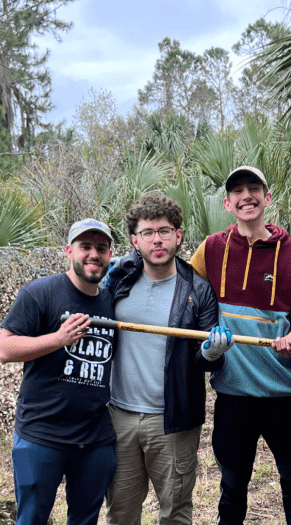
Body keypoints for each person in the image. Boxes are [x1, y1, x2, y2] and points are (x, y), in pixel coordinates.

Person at [189, 166, 291, 525]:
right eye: (238, 191)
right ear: (228, 203)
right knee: (232, 486)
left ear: (267, 198)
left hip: (282, 390)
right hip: (233, 392)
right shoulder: (212, 249)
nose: (246, 196)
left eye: (253, 189)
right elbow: (187, 294)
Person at [104, 194, 233, 525]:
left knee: (174, 510)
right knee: (119, 510)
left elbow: (204, 360)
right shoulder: (119, 279)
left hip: (173, 420)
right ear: (135, 240)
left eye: (164, 230)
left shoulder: (199, 289)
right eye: (147, 232)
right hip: (120, 416)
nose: (156, 239)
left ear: (178, 235)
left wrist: (211, 351)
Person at [0, 218, 118, 525]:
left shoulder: (112, 303)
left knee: (86, 519)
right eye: (85, 247)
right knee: (29, 517)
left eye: (101, 248)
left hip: (94, 439)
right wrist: (58, 339)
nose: (93, 254)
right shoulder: (39, 293)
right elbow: (4, 350)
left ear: (110, 255)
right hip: (34, 437)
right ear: (69, 251)